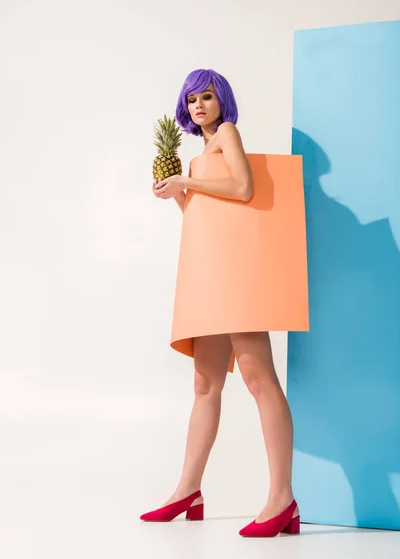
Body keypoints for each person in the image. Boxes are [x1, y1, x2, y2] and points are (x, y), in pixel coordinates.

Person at [141, 69, 300, 537]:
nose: (198, 106)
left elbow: (244, 189)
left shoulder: (228, 133)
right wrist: (176, 190)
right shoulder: (195, 155)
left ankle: (282, 498)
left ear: (221, 99)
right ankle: (187, 490)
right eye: (191, 100)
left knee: (258, 378)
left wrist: (189, 184)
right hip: (209, 271)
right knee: (205, 385)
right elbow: (200, 216)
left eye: (206, 96)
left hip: (238, 271)